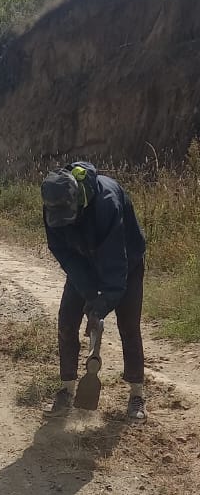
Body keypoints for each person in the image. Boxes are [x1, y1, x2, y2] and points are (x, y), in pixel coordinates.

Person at [40, 160, 147, 421]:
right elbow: (64, 253)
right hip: (84, 261)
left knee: (128, 326)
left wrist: (100, 308)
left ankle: (137, 394)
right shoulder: (53, 204)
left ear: (78, 199)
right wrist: (89, 293)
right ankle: (67, 389)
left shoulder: (107, 203)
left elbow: (116, 264)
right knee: (67, 322)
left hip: (127, 264)